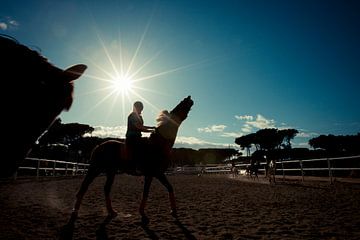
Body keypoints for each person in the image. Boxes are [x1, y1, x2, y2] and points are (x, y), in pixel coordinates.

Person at [125, 101, 155, 174]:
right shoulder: (132, 116)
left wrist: (152, 127)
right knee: (138, 148)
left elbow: (142, 126)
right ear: (136, 108)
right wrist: (150, 131)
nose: (141, 110)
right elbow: (138, 127)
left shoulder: (139, 116)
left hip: (138, 136)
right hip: (132, 136)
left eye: (142, 108)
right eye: (140, 108)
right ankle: (134, 167)